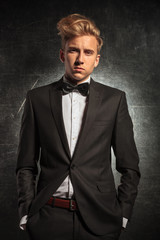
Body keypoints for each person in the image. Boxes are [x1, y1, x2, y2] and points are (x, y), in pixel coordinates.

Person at [16, 13, 140, 240]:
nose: (80, 59)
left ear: (97, 59)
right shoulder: (37, 99)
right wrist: (26, 211)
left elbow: (129, 166)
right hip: (48, 218)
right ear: (63, 55)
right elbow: (25, 163)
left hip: (101, 219)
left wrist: (122, 215)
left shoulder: (115, 99)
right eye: (74, 50)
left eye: (88, 52)